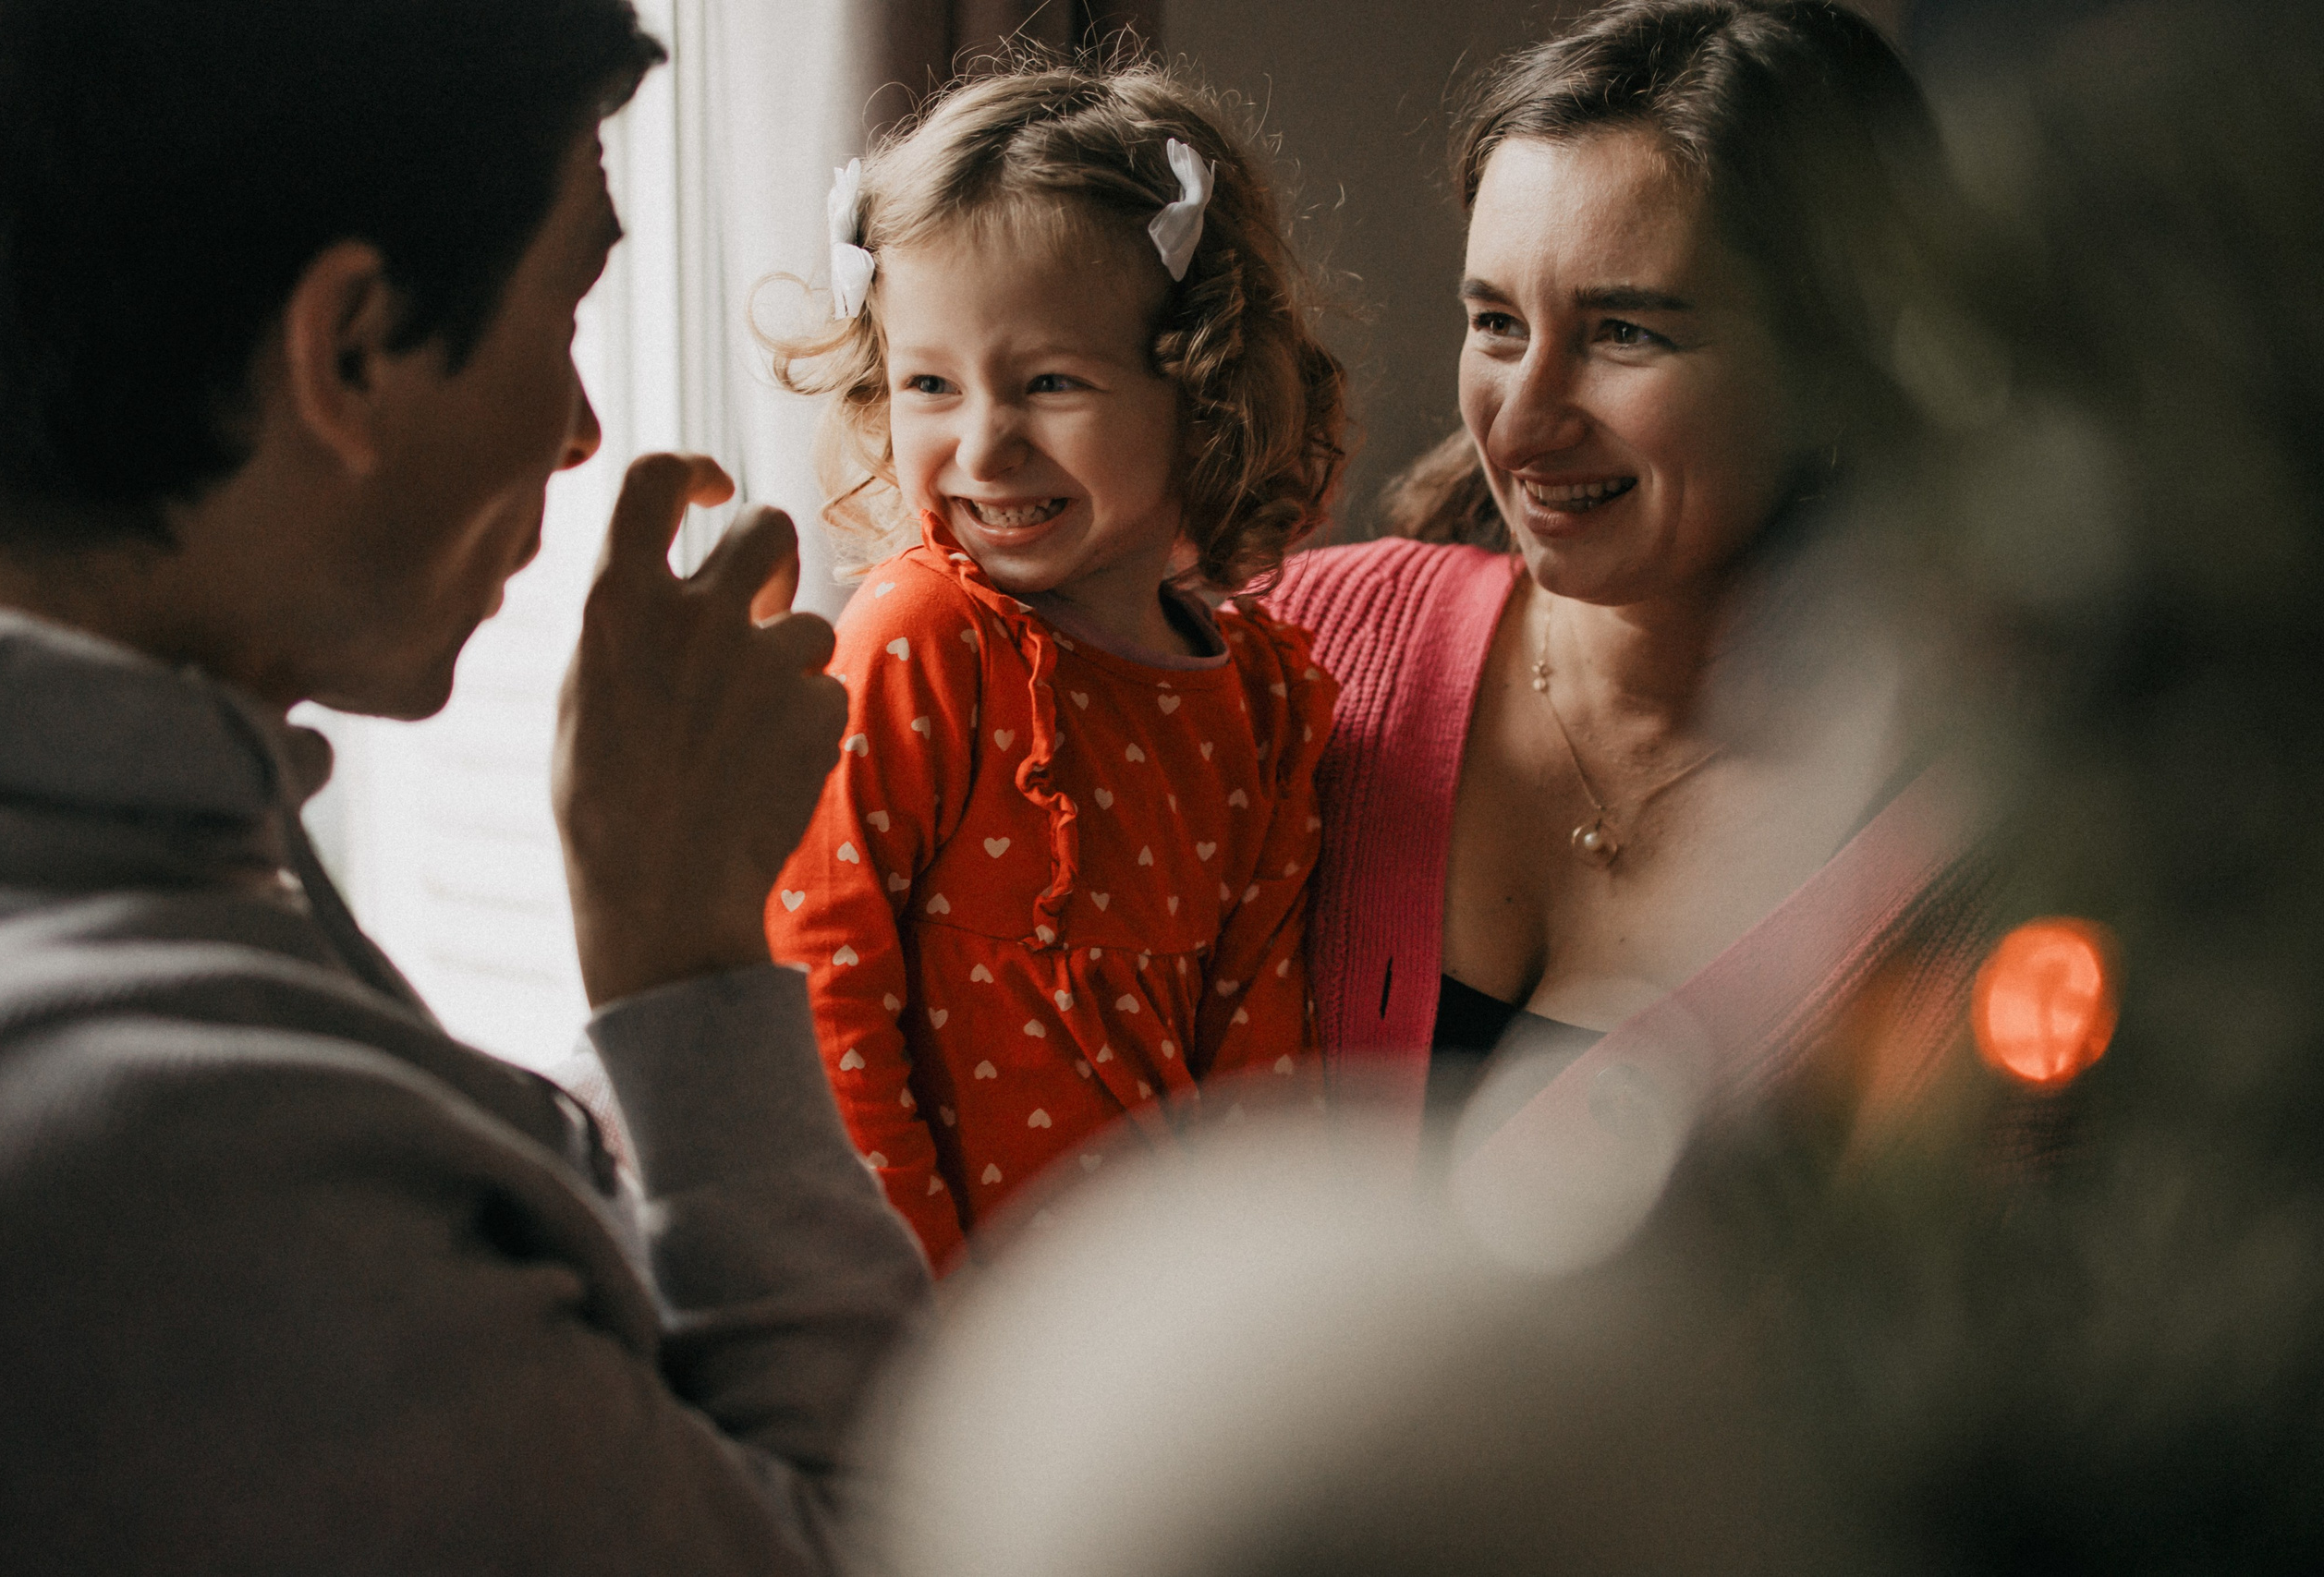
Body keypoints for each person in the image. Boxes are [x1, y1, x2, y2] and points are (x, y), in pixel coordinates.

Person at [0, 2, 927, 1571]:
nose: (582, 431)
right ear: (350, 351)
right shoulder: (185, 1164)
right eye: (568, 308)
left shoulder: (169, 877)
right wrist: (681, 960)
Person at [1266, 0, 2024, 1186]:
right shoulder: (1296, 651)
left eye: (1624, 332)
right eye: (1496, 324)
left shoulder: (1963, 838)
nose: (1519, 420)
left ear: (1839, 353)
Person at [760, 59, 1346, 1272]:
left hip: (1144, 1324)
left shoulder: (1262, 699)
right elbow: (822, 993)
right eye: (929, 383)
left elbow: (1259, 1048)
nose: (984, 443)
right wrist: (932, 1304)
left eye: (1049, 384)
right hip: (929, 1310)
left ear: (1197, 388)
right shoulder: (920, 640)